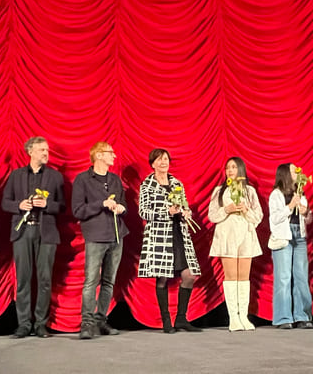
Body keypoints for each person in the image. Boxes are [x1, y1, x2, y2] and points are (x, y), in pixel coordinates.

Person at [2, 136, 64, 338]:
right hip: (22, 231)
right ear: (30, 152)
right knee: (23, 279)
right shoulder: (16, 175)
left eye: (47, 150)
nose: (46, 153)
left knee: (45, 280)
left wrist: (47, 205)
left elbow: (62, 206)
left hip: (46, 232)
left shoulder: (55, 177)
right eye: (41, 150)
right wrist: (19, 206)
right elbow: (5, 203)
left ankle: (40, 323)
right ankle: (23, 323)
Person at [138, 149, 202, 333]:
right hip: (159, 235)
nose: (163, 162)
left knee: (189, 275)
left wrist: (185, 212)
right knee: (162, 277)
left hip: (178, 233)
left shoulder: (176, 183)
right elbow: (143, 212)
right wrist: (166, 212)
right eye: (159, 160)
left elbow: (184, 205)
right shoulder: (147, 185)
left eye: (165, 159)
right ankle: (166, 320)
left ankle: (181, 318)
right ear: (152, 164)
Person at [71, 141, 129, 339]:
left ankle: (100, 320)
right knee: (90, 281)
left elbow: (123, 203)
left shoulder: (114, 179)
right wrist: (101, 203)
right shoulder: (83, 180)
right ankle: (86, 323)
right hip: (96, 237)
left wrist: (121, 208)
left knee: (109, 282)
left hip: (116, 235)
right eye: (109, 152)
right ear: (98, 156)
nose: (114, 155)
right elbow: (78, 210)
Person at [207, 157, 262, 331]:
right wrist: (227, 209)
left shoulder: (250, 191)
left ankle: (243, 316)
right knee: (231, 277)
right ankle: (233, 317)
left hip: (246, 234)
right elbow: (212, 216)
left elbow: (258, 217)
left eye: (233, 167)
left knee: (244, 277)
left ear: (241, 170)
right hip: (227, 234)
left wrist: (246, 209)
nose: (230, 170)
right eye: (228, 168)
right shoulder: (219, 191)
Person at [269, 163, 313, 329]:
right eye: (294, 170)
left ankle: (301, 315)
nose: (298, 172)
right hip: (284, 236)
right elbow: (274, 219)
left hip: (299, 235)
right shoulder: (276, 194)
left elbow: (308, 219)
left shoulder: (299, 192)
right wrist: (290, 207)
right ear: (285, 174)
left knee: (301, 276)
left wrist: (305, 213)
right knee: (284, 277)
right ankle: (283, 317)